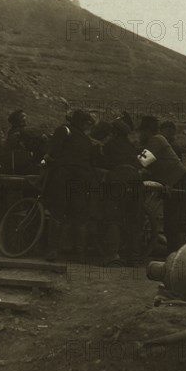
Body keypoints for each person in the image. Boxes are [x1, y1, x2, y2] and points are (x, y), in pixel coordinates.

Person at [42, 110, 96, 262]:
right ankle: (81, 254)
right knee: (80, 213)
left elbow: (51, 152)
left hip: (63, 175)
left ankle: (53, 250)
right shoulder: (86, 139)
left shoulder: (63, 130)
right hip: (82, 177)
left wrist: (46, 160)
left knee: (57, 211)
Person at [137, 116, 186, 254]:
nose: (139, 135)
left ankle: (179, 255)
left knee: (176, 222)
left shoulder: (156, 140)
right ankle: (174, 254)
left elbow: (143, 161)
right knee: (171, 222)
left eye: (141, 132)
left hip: (180, 180)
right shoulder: (155, 141)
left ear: (147, 131)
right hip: (176, 180)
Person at [99, 117, 143, 265]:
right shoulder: (131, 147)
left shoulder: (110, 145)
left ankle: (112, 255)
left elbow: (105, 163)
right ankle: (135, 257)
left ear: (115, 132)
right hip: (136, 181)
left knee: (113, 217)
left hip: (118, 180)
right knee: (134, 218)